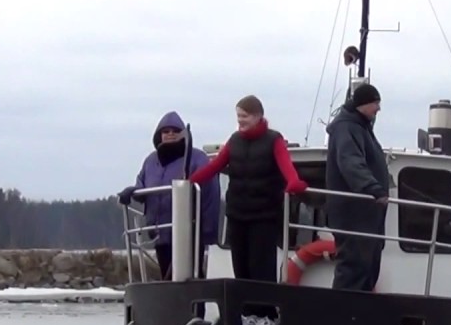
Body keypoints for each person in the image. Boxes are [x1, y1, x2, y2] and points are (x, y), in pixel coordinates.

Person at [186, 95, 308, 282]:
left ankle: (264, 309)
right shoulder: (234, 141)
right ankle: (243, 307)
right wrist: (189, 180)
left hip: (264, 215)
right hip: (237, 213)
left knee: (260, 264)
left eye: (245, 116)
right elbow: (214, 166)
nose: (240, 120)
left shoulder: (274, 140)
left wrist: (294, 182)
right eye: (238, 116)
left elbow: (286, 166)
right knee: (240, 264)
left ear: (258, 116)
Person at [118, 111, 220, 279]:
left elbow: (209, 192)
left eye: (175, 130)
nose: (170, 134)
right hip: (160, 232)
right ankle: (172, 304)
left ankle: (197, 305)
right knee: (167, 276)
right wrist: (132, 191)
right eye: (166, 131)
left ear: (183, 134)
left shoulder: (197, 158)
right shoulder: (151, 161)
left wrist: (207, 230)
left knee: (190, 278)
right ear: (159, 135)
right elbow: (142, 184)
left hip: (188, 231)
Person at [324, 83, 390, 292]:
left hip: (367, 217)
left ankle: (358, 318)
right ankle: (344, 318)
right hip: (354, 215)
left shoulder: (361, 128)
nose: (378, 108)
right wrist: (374, 188)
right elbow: (350, 162)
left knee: (368, 268)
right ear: (362, 104)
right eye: (375, 103)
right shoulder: (346, 128)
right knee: (354, 267)